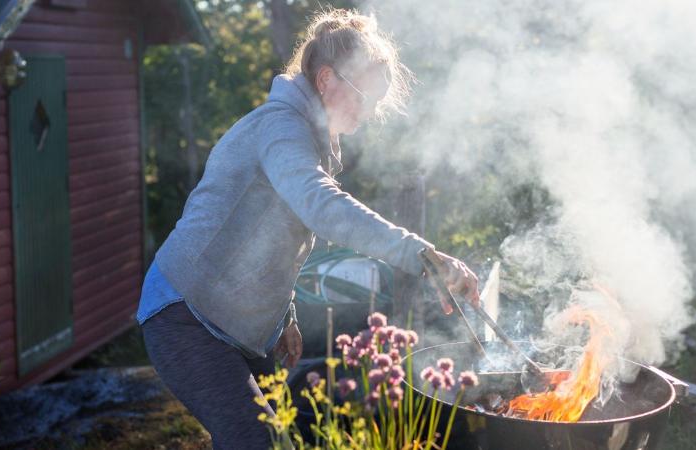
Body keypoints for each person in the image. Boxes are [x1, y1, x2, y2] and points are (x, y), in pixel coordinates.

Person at [136, 8, 479, 449]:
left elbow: (271, 239)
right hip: (187, 314)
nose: (370, 111)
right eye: (365, 96)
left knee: (265, 441)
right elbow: (319, 205)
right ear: (325, 80)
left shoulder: (306, 136)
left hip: (236, 325)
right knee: (259, 443)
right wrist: (421, 254)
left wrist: (286, 315)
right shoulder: (280, 127)